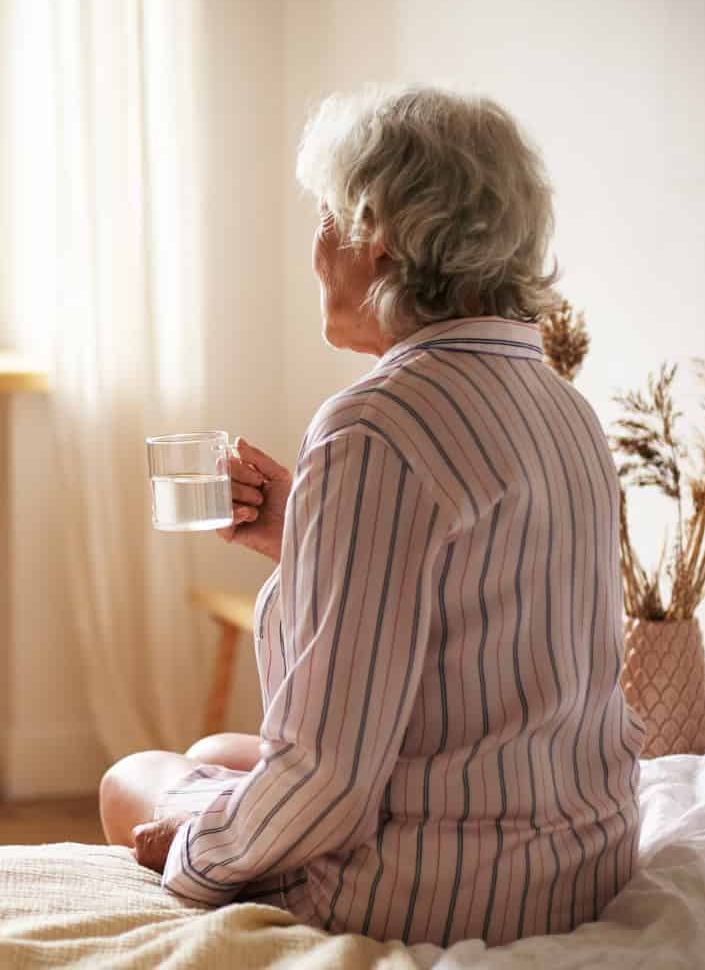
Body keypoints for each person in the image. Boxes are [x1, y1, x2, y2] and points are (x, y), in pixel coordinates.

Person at [98, 84, 644, 947]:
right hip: (582, 858)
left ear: (375, 230)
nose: (315, 248)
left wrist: (192, 852)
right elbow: (479, 608)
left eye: (324, 215)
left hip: (450, 887)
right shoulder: (561, 404)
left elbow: (328, 771)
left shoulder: (376, 425)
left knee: (135, 776)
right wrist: (302, 536)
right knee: (215, 749)